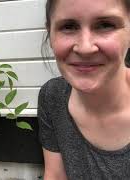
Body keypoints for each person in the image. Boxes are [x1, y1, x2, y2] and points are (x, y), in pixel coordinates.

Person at [38, 0, 130, 179]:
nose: (85, 48)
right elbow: (55, 175)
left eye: (105, 25)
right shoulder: (52, 96)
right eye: (68, 26)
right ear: (50, 33)